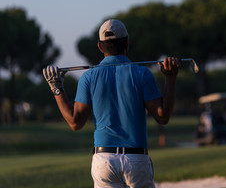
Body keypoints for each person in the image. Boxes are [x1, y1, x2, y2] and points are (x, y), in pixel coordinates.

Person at [43, 19, 179, 188]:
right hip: (136, 159)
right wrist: (171, 78)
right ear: (127, 43)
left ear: (100, 47)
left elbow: (75, 122)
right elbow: (163, 117)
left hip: (104, 161)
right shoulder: (142, 74)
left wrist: (57, 88)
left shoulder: (88, 77)